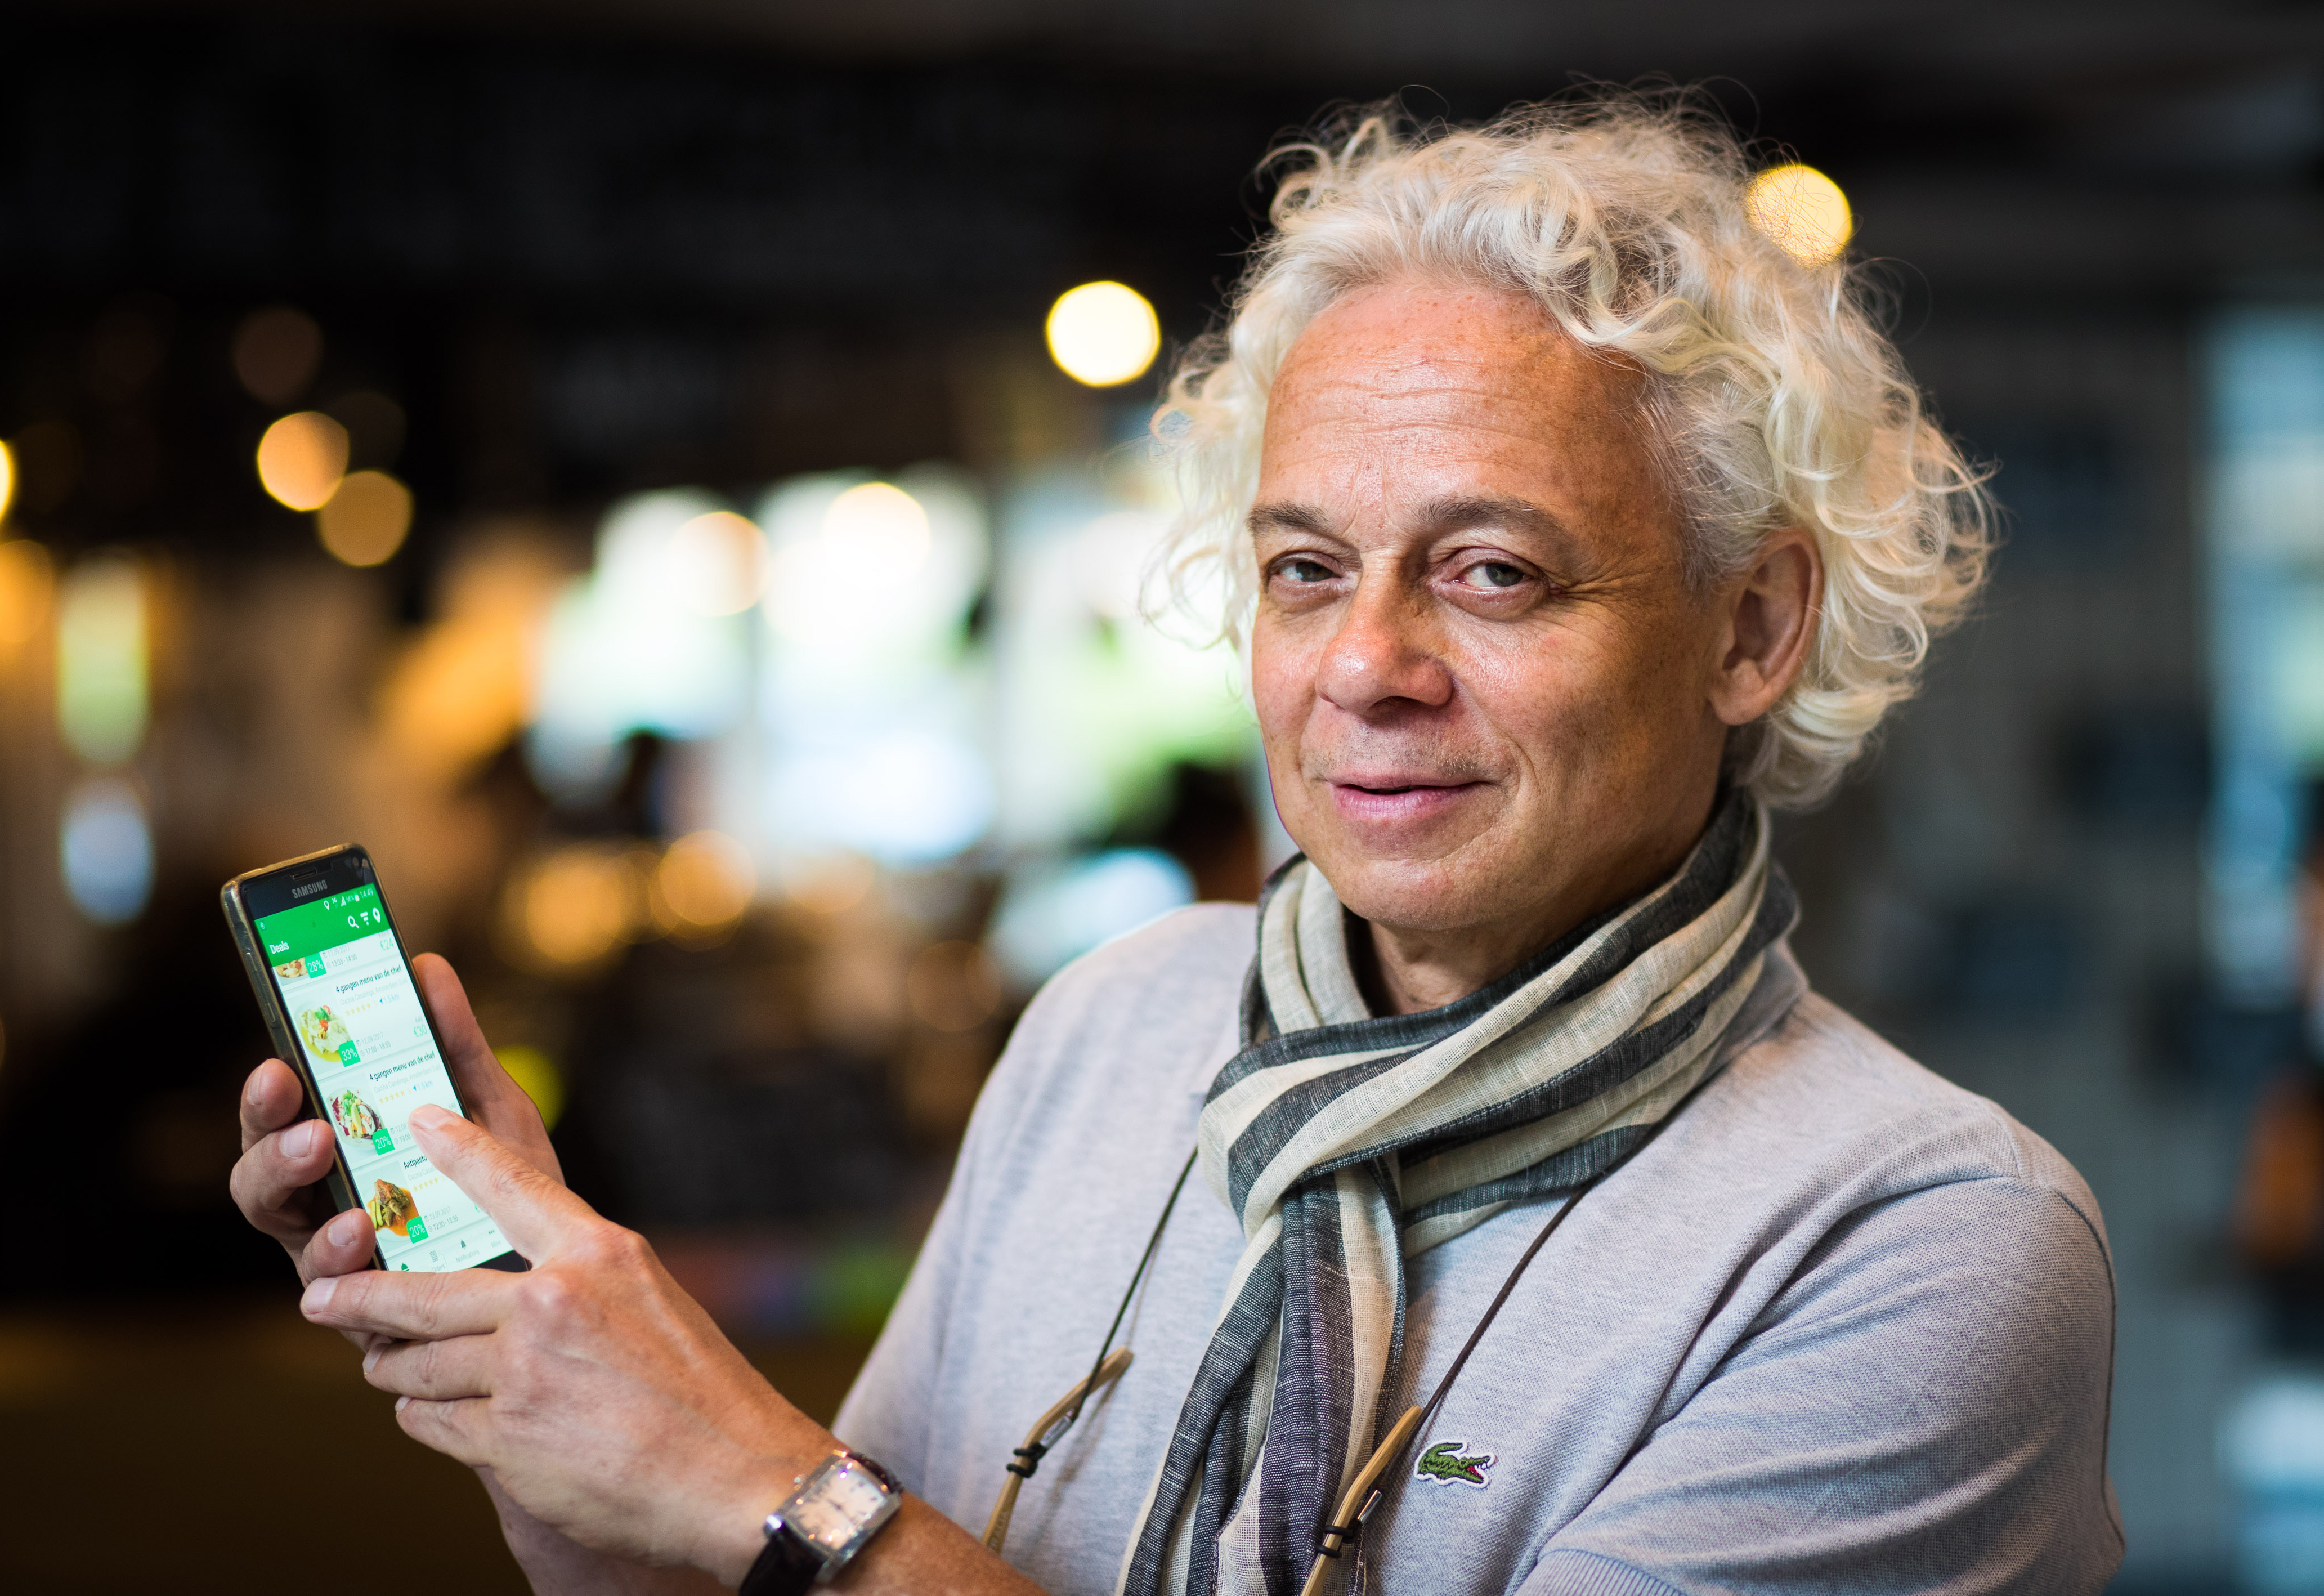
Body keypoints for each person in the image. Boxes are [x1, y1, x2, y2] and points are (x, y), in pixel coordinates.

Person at [231, 95, 2124, 1595]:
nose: (1365, 667)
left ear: (1751, 627)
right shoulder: (1118, 1025)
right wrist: (568, 1411)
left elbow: (798, 1532)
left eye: (1490, 571)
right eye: (1305, 568)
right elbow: (771, 1573)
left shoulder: (1922, 1243)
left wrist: (762, 1480)